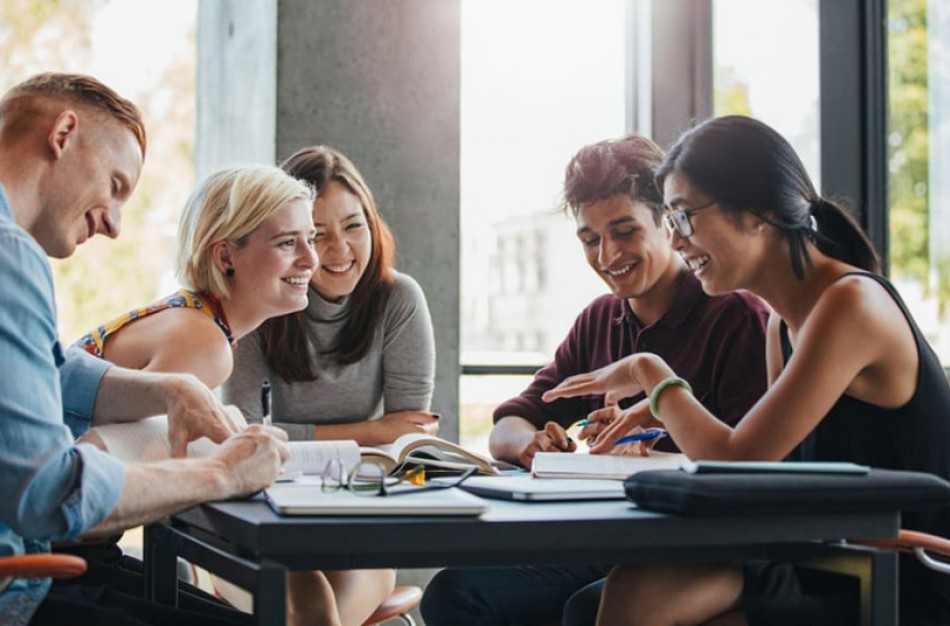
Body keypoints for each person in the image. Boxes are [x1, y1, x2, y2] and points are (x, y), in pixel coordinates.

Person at [542, 115, 950, 626]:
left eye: (684, 216)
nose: (677, 240)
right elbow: (764, 474)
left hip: (899, 571)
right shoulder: (782, 322)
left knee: (635, 598)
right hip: (828, 556)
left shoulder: (850, 304)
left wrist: (652, 374)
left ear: (759, 213)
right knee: (621, 592)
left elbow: (736, 460)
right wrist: (664, 411)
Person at [421, 134, 771, 626]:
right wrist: (530, 445)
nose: (607, 256)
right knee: (454, 594)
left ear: (668, 223)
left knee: (587, 608)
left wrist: (655, 445)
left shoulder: (735, 316)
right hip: (611, 542)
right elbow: (508, 424)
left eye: (624, 232)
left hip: (700, 551)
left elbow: (751, 468)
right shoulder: (599, 319)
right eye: (590, 240)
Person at [0, 73, 290, 626]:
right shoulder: (10, 254)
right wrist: (223, 473)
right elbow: (48, 494)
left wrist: (170, 389)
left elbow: (43, 370)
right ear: (63, 134)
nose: (114, 224)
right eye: (115, 185)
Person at [221, 145, 435, 625]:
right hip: (264, 517)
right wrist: (371, 431)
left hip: (356, 517)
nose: (339, 250)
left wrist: (377, 437)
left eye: (353, 226)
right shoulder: (256, 303)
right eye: (317, 235)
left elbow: (407, 442)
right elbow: (245, 441)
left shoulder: (398, 299)